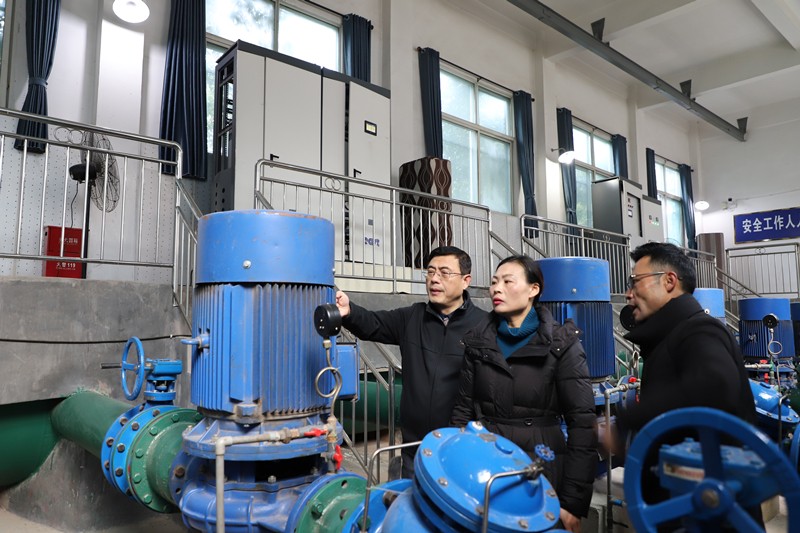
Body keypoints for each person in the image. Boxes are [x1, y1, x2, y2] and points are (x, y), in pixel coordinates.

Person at [613, 242, 761, 530]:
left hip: (709, 511)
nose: (629, 294)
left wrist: (627, 419)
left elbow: (715, 385)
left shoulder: (698, 330)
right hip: (684, 505)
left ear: (669, 281)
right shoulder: (671, 336)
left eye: (635, 282)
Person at [450, 255, 597, 533]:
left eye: (508, 282)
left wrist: (572, 502)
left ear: (533, 289)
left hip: (541, 467)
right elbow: (462, 410)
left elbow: (582, 424)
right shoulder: (477, 342)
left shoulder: (562, 344)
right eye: (494, 282)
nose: (496, 288)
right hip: (487, 463)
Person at [334, 246, 487, 478]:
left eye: (444, 273)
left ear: (466, 281)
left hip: (460, 447)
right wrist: (349, 311)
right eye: (430, 272)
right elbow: (373, 323)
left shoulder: (484, 326)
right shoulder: (412, 317)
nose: (434, 279)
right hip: (414, 447)